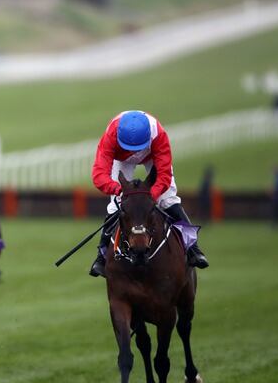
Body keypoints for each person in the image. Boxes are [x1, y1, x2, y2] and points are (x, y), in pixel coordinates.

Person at [89, 110, 209, 277]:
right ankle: (101, 257)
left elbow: (164, 175)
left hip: (152, 155)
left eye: (137, 148)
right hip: (120, 157)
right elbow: (99, 175)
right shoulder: (110, 135)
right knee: (115, 204)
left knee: (168, 200)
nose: (134, 152)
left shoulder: (158, 135)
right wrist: (118, 190)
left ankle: (193, 248)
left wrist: (152, 194)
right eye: (130, 148)